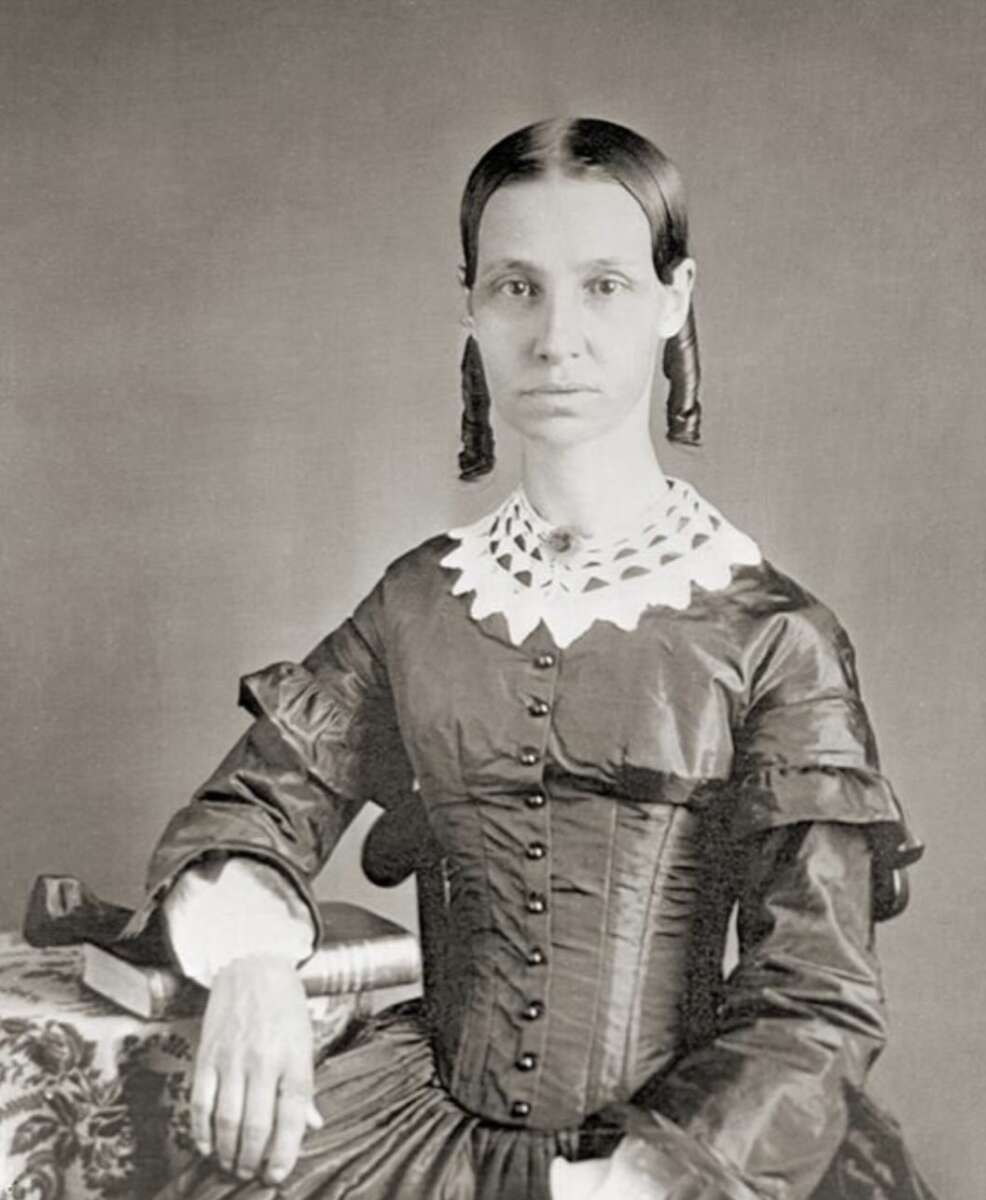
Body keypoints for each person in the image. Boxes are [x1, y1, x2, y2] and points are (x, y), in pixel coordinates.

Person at [127, 117, 936, 1200]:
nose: (557, 337)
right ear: (469, 308)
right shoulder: (421, 601)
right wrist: (258, 963)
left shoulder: (772, 636)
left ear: (674, 299)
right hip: (417, 1136)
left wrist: (643, 1179)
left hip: (688, 1161)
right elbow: (253, 807)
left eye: (603, 284)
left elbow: (816, 992)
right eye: (517, 288)